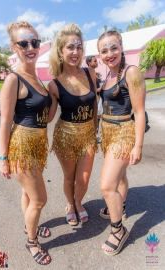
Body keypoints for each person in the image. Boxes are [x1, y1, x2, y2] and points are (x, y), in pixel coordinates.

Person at [0, 21, 52, 265]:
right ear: (15, 47)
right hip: (21, 147)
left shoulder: (38, 78)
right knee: (40, 199)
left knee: (28, 193)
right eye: (24, 43)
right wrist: (3, 159)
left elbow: (46, 117)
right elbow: (5, 122)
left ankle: (30, 226)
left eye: (35, 42)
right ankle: (32, 242)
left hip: (39, 145)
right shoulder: (13, 79)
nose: (31, 47)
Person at [97, 30, 146, 255]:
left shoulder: (131, 72)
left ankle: (118, 231)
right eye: (104, 50)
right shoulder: (107, 75)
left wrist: (138, 146)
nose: (110, 53)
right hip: (107, 132)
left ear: (122, 47)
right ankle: (120, 207)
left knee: (107, 185)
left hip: (123, 132)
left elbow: (139, 111)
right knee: (120, 177)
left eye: (113, 47)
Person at [48, 23, 98, 225]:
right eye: (70, 47)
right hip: (65, 136)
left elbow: (95, 102)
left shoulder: (90, 74)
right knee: (69, 177)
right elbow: (49, 116)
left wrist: (96, 128)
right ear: (60, 51)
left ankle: (78, 201)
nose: (75, 51)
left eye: (78, 47)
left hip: (87, 134)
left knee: (83, 180)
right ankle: (71, 204)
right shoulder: (54, 84)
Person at [86, 55, 103, 143]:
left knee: (98, 118)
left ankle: (96, 135)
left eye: (96, 60)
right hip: (92, 99)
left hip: (99, 99)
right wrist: (100, 89)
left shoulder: (96, 74)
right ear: (89, 63)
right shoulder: (87, 74)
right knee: (92, 118)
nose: (96, 62)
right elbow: (89, 88)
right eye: (94, 61)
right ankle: (91, 136)